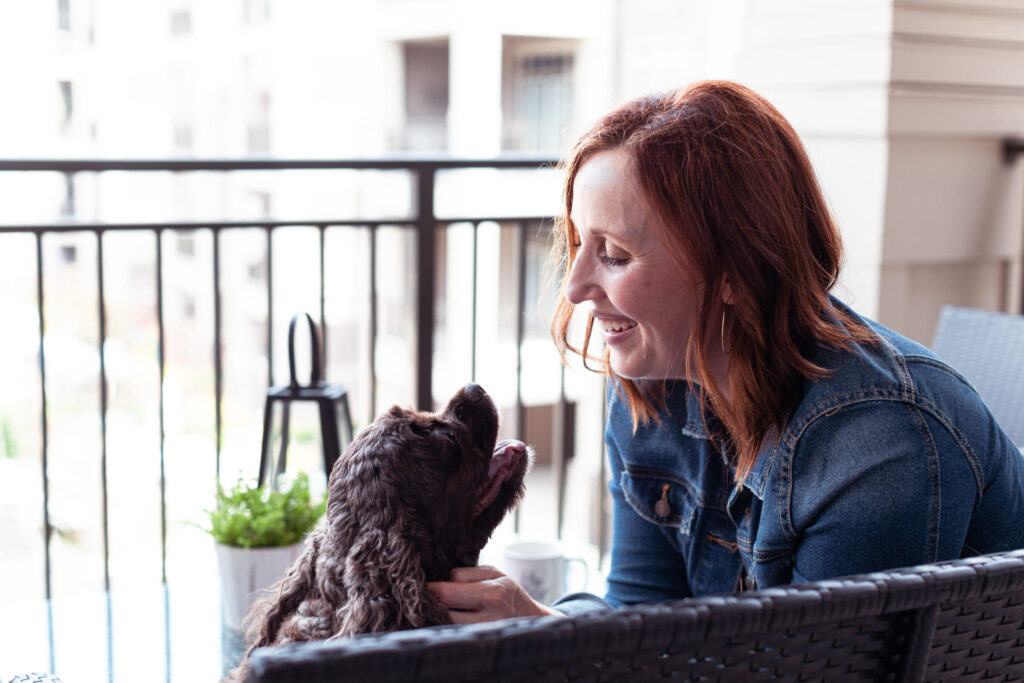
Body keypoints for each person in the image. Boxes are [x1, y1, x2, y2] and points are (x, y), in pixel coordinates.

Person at [427, 80, 1024, 622]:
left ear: (739, 269)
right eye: (580, 244)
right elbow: (642, 613)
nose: (575, 287)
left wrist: (542, 633)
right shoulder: (650, 387)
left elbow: (818, 671)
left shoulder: (877, 443)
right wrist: (538, 627)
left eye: (613, 254)